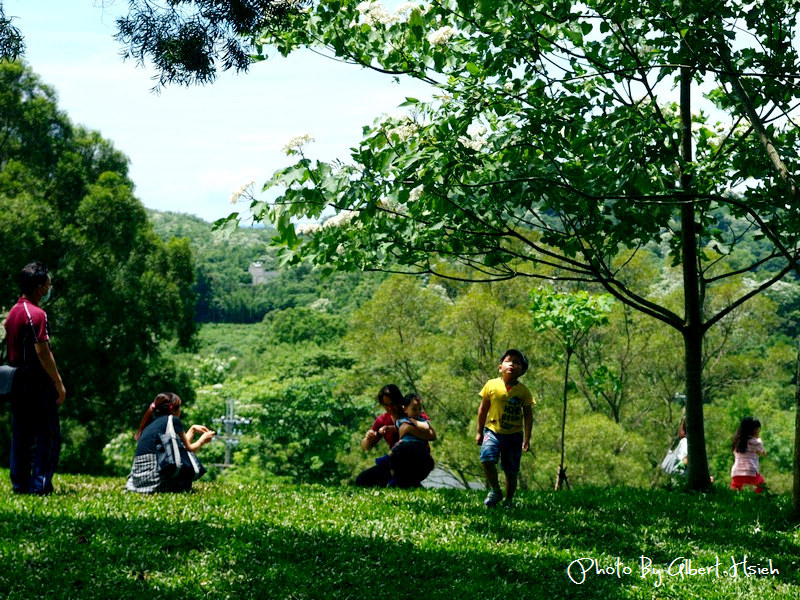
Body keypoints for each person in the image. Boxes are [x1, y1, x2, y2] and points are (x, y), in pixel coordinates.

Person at [4, 261, 66, 495]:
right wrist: (58, 384)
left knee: (21, 433)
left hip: (16, 379)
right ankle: (40, 486)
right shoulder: (37, 314)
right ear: (40, 286)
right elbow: (43, 351)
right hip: (36, 382)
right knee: (48, 434)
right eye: (48, 282)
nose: (50, 285)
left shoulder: (13, 312)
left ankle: (19, 484)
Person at [475, 349, 534, 508]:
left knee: (511, 471)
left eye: (517, 363)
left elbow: (528, 415)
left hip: (514, 436)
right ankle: (495, 490)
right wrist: (479, 431)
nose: (513, 365)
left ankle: (508, 500)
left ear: (522, 370)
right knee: (486, 459)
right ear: (500, 367)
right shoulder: (491, 385)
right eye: (509, 361)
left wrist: (527, 439)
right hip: (492, 431)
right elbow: (483, 410)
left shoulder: (524, 392)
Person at [126, 392, 215, 493]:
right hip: (155, 480)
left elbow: (181, 447)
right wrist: (202, 440)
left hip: (137, 481)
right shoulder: (172, 420)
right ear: (172, 407)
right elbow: (190, 448)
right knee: (185, 482)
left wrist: (193, 430)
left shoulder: (150, 424)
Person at [376, 393, 436, 488]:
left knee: (398, 449)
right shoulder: (402, 420)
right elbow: (397, 428)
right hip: (404, 446)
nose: (417, 412)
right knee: (395, 455)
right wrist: (388, 428)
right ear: (405, 409)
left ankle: (388, 459)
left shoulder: (420, 420)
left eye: (419, 409)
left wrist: (415, 422)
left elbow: (427, 428)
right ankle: (394, 476)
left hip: (416, 447)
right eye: (414, 409)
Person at [355, 384, 404, 487]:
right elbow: (366, 446)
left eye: (392, 404)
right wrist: (368, 438)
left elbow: (428, 432)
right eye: (386, 405)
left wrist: (396, 428)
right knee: (362, 480)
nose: (390, 408)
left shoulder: (411, 413)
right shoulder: (382, 420)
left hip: (416, 461)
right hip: (393, 464)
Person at [730, 416, 767, 494]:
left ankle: (734, 500)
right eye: (757, 429)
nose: (758, 431)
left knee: (735, 487)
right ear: (753, 430)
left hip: (736, 472)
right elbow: (764, 454)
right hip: (751, 472)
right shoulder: (757, 442)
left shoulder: (737, 441)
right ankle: (756, 498)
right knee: (762, 485)